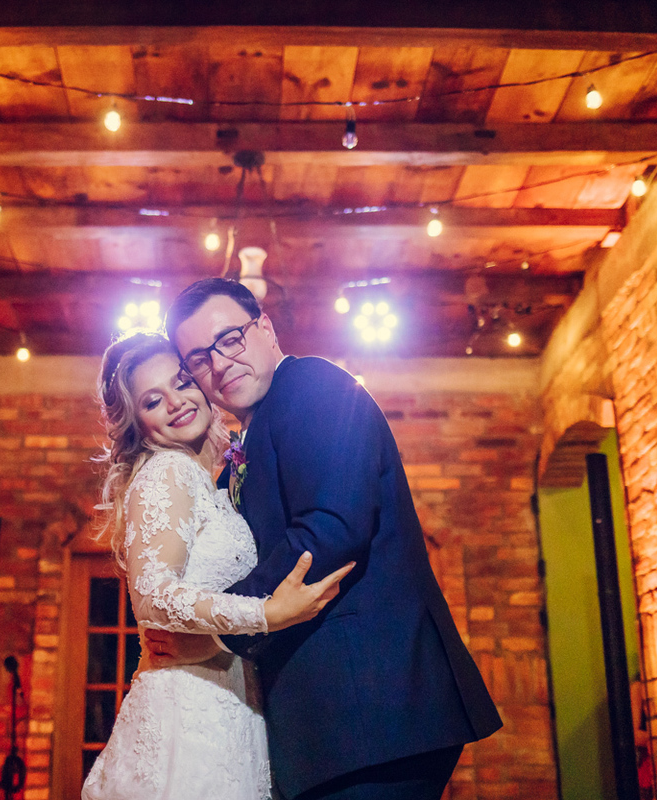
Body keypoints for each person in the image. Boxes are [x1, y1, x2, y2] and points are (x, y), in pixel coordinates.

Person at [145, 278, 503, 800]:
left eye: (229, 339)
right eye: (199, 358)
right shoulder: (251, 435)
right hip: (336, 720)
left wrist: (222, 630)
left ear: (266, 329)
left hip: (371, 706)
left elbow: (331, 527)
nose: (219, 364)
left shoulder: (313, 385)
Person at [82, 331, 354, 800]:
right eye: (152, 401)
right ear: (137, 424)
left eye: (182, 382)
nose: (176, 402)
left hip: (228, 701)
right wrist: (266, 614)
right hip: (187, 716)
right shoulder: (168, 471)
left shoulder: (209, 478)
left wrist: (212, 642)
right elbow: (154, 597)